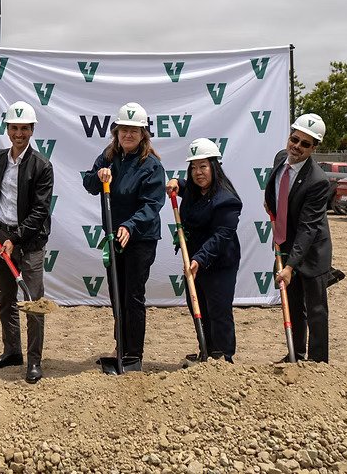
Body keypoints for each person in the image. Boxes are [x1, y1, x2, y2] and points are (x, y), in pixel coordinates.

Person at [82, 102, 165, 368]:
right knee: (117, 295)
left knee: (133, 296)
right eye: (123, 129)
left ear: (143, 135)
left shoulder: (151, 166)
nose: (128, 134)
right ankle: (121, 349)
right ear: (116, 132)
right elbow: (89, 184)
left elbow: (152, 205)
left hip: (140, 239)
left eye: (134, 130)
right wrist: (99, 175)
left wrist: (130, 225)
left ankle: (133, 355)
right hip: (114, 239)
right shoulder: (108, 157)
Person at [0, 101, 54, 384]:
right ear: (7, 129)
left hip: (29, 242)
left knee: (33, 303)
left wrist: (16, 239)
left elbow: (40, 211)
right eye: (14, 128)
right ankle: (12, 351)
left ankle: (34, 361)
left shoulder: (42, 166)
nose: (18, 133)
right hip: (1, 236)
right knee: (5, 299)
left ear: (32, 130)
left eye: (23, 128)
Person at [165, 138, 242, 363]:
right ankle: (206, 353)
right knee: (198, 306)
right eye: (194, 167)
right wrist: (175, 181)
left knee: (218, 309)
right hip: (195, 260)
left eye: (203, 166)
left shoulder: (227, 200)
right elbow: (184, 185)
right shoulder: (195, 188)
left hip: (218, 262)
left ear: (214, 167)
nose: (198, 172)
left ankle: (224, 357)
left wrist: (199, 258)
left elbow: (221, 237)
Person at [264, 113, 332, 363]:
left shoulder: (318, 181)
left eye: (305, 144)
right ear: (289, 136)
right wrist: (271, 203)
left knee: (315, 310)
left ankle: (317, 364)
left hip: (312, 250)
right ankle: (296, 355)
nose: (297, 147)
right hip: (286, 242)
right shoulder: (281, 158)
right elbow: (275, 188)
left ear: (314, 148)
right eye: (295, 139)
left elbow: (308, 228)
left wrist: (291, 266)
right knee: (293, 306)